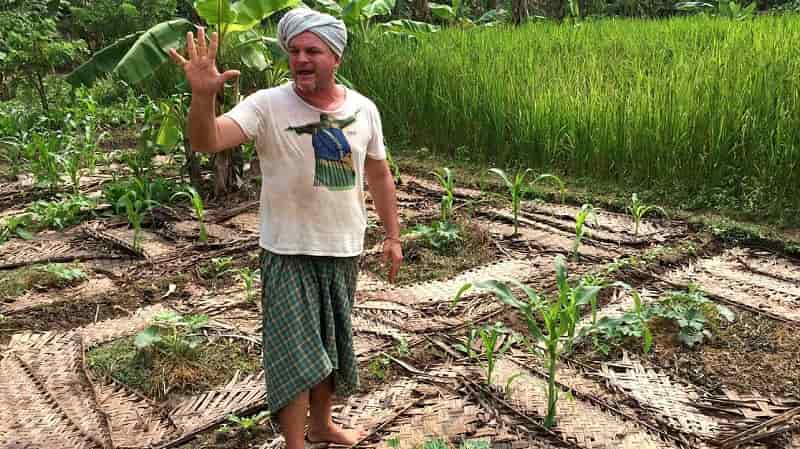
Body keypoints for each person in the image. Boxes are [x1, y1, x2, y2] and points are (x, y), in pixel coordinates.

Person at [168, 8, 403, 449]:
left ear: (336, 57)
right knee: (296, 351)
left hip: (343, 245)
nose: (301, 58)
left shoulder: (364, 109)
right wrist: (203, 97)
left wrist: (392, 236)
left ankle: (322, 425)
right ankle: (296, 443)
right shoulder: (267, 104)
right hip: (287, 248)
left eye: (312, 50)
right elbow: (207, 141)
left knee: (332, 342)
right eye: (294, 50)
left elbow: (379, 174)